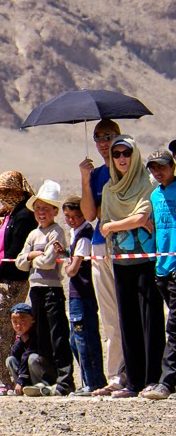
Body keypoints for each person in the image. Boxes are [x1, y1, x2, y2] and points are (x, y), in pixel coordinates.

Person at [99, 136, 164, 398]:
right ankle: (134, 382)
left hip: (147, 261)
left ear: (135, 155)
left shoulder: (148, 183)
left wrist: (116, 224)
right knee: (127, 320)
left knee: (151, 319)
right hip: (120, 260)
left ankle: (154, 379)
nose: (122, 158)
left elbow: (141, 216)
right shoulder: (109, 189)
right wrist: (126, 223)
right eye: (117, 154)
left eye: (127, 153)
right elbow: (104, 225)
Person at [79, 119, 126, 392]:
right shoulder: (97, 175)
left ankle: (138, 370)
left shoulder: (129, 168)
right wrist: (86, 179)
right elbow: (89, 215)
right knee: (109, 314)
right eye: (98, 138)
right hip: (100, 244)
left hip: (129, 246)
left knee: (131, 310)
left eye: (108, 136)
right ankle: (116, 376)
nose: (103, 142)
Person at [15, 180, 75, 395]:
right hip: (36, 288)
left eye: (46, 208)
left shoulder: (56, 232)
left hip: (52, 289)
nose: (41, 212)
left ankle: (65, 380)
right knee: (41, 336)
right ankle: (47, 379)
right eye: (38, 208)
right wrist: (33, 256)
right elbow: (19, 262)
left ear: (55, 211)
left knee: (57, 334)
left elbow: (49, 262)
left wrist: (31, 258)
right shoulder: (33, 234)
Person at [0, 172, 36, 396]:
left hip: (13, 279)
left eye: (9, 191)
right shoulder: (10, 214)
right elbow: (0, 250)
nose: (5, 196)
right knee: (1, 328)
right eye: (0, 192)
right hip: (2, 277)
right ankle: (4, 379)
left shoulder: (25, 215)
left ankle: (2, 380)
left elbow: (14, 251)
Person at [57, 196, 105, 395]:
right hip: (78, 296)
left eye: (76, 215)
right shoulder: (77, 232)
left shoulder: (84, 235)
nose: (71, 219)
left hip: (82, 295)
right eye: (67, 216)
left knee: (84, 339)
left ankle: (92, 382)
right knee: (77, 340)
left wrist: (67, 265)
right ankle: (91, 381)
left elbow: (73, 270)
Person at [145, 148, 176, 400]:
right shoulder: (155, 195)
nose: (158, 171)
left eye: (162, 166)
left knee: (173, 326)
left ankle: (166, 381)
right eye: (153, 167)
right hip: (161, 268)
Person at [6, 303, 57, 396]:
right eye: (15, 322)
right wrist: (20, 340)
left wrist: (21, 379)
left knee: (32, 358)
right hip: (27, 374)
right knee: (10, 360)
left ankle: (42, 386)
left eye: (23, 321)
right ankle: (24, 387)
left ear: (33, 320)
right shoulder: (22, 336)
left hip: (45, 373)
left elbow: (27, 355)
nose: (18, 326)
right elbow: (14, 354)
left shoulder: (38, 334)